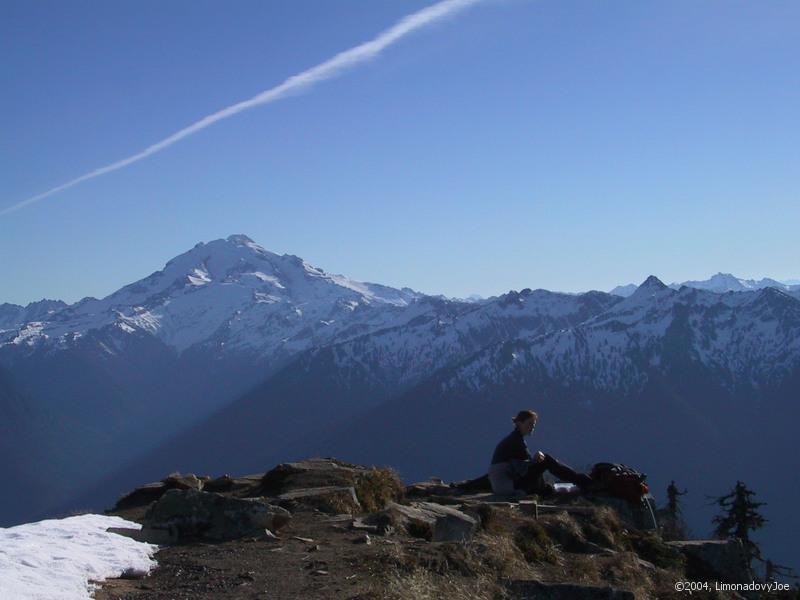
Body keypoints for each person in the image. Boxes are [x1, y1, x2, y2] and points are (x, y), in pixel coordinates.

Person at [488, 409, 592, 495]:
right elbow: (527, 468)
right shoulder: (515, 441)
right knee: (546, 460)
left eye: (533, 424)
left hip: (505, 484)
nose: (532, 427)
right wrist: (536, 459)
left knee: (542, 461)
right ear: (519, 423)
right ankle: (583, 481)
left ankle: (574, 481)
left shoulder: (514, 438)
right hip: (509, 486)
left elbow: (525, 467)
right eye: (529, 424)